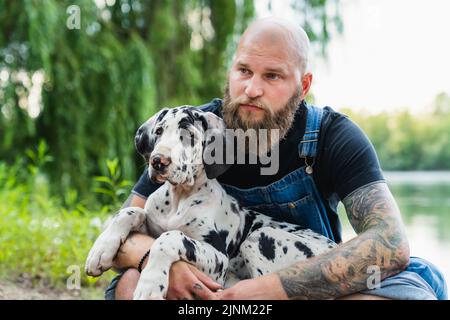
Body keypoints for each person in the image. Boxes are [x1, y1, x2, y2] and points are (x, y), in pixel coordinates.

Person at [103, 17, 447, 300]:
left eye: (272, 76)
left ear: (304, 84)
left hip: (305, 287)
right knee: (132, 285)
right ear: (230, 72)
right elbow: (123, 237)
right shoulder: (193, 131)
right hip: (212, 286)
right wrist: (166, 264)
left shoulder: (332, 136)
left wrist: (270, 289)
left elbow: (390, 242)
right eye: (243, 71)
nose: (252, 89)